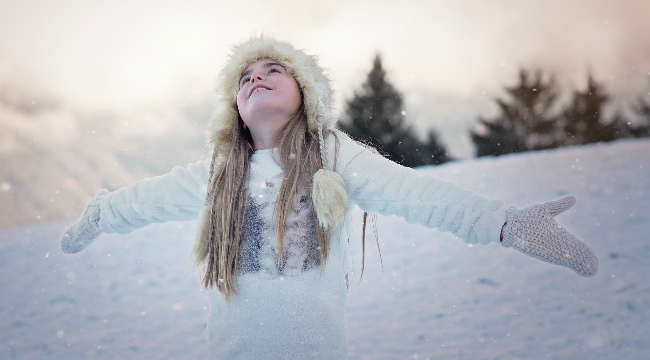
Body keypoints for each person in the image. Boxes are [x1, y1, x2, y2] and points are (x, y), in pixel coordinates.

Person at [60, 36, 598, 359]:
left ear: (306, 94)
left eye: (274, 71)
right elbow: (146, 200)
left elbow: (414, 194)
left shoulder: (334, 156)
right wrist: (101, 213)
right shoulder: (219, 174)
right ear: (234, 107)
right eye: (245, 77)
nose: (257, 79)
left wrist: (503, 222)